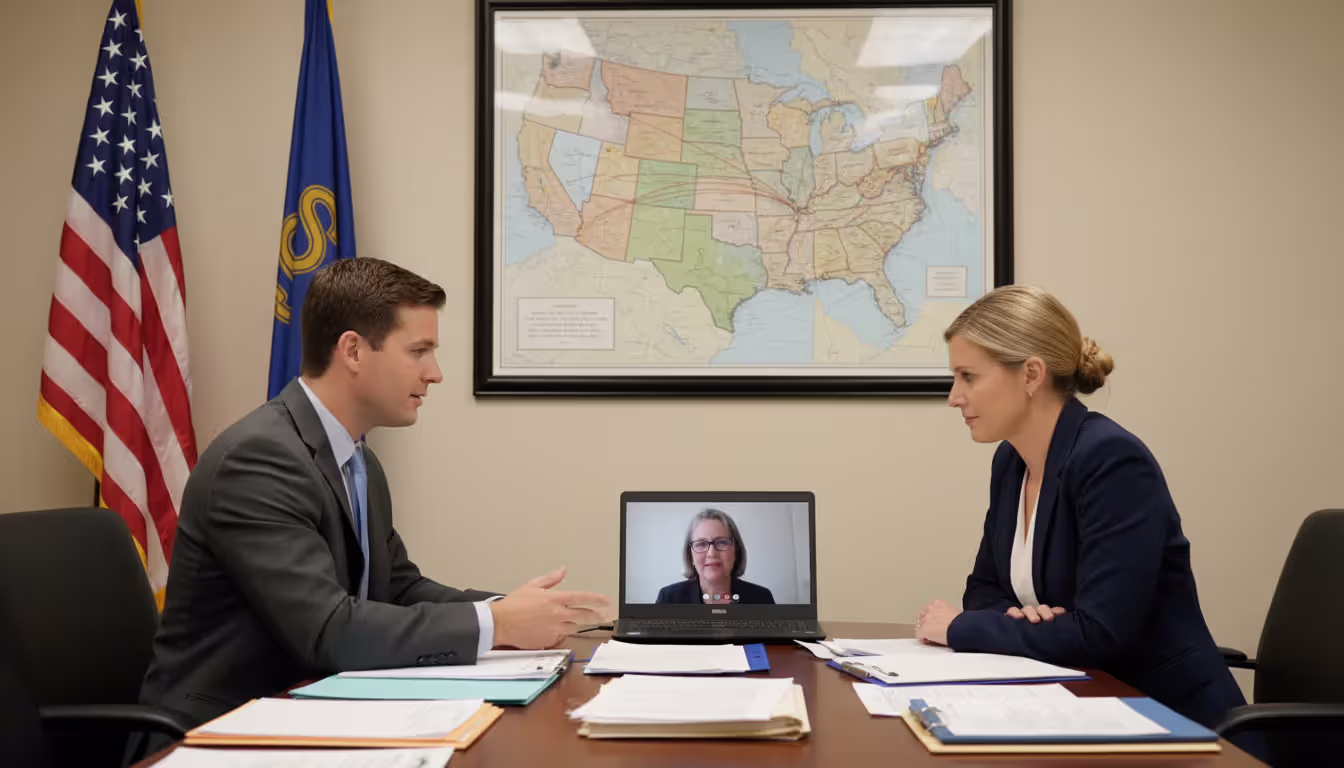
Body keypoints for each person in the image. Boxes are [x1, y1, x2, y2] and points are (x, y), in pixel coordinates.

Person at [141, 257, 610, 726]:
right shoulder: (259, 460)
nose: (435, 373)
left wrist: (507, 611)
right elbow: (328, 629)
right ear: (353, 351)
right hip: (219, 729)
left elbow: (397, 588)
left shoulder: (359, 461)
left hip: (306, 711)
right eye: (419, 351)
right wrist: (498, 625)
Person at [913, 285, 1244, 729]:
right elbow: (984, 589)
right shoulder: (1012, 460)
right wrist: (1031, 621)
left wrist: (957, 628)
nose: (954, 396)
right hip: (1076, 707)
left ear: (1031, 374)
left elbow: (1099, 634)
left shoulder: (1112, 461)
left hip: (1170, 722)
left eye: (969, 377)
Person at [656, 509, 775, 604]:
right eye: (701, 544)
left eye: (722, 542)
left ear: (736, 551)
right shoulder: (669, 599)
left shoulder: (762, 598)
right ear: (690, 555)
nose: (711, 553)